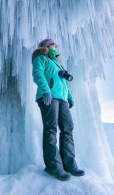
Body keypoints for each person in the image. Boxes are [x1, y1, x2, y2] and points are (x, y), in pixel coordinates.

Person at [31, 38, 85, 181]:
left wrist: (70, 97)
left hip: (62, 99)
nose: (55, 45)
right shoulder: (40, 58)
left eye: (56, 44)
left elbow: (63, 84)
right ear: (45, 46)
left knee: (68, 128)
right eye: (52, 44)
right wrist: (45, 90)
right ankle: (53, 167)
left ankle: (69, 164)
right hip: (48, 97)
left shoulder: (58, 64)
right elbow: (38, 74)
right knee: (51, 129)